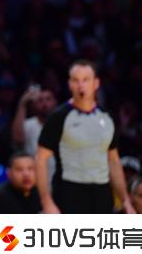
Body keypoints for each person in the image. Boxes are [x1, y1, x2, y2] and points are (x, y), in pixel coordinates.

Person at [36, 60, 135, 214]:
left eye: (86, 80)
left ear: (96, 83)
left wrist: (125, 200)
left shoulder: (107, 117)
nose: (81, 85)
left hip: (102, 192)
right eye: (76, 80)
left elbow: (113, 160)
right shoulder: (58, 117)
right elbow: (41, 160)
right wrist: (46, 201)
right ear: (69, 84)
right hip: (68, 191)